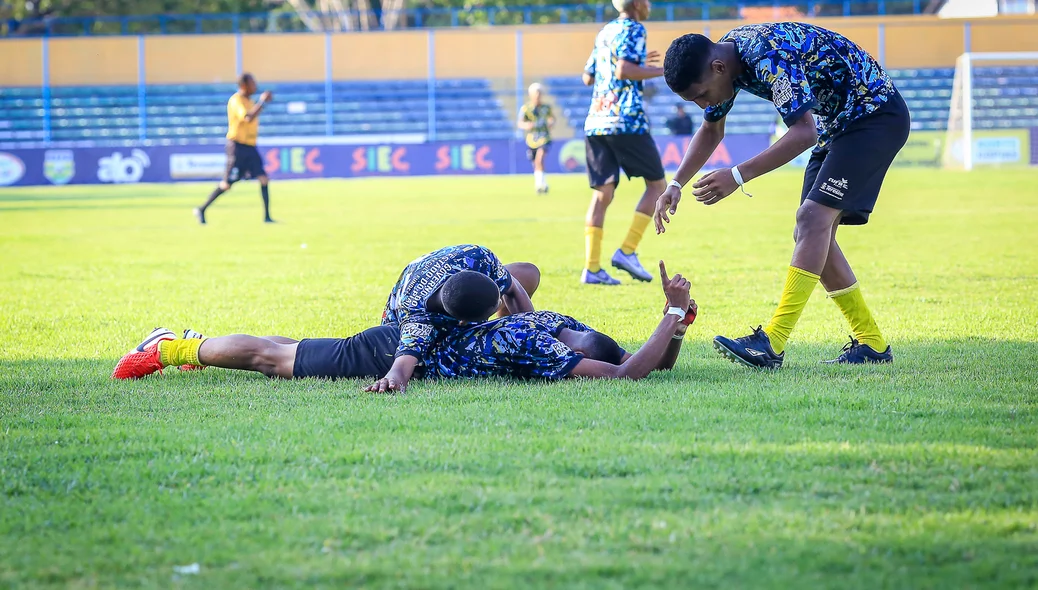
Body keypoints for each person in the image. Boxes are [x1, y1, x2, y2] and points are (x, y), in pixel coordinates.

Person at [655, 23, 911, 368]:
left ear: (718, 68)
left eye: (701, 95)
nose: (704, 103)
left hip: (874, 117)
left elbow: (804, 133)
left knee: (812, 220)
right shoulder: (725, 61)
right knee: (811, 233)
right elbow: (711, 128)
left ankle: (772, 342)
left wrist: (736, 176)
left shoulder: (766, 55)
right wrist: (676, 184)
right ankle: (872, 344)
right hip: (840, 127)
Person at [113, 264, 696, 385]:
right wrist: (669, 317)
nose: (587, 362)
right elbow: (627, 373)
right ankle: (171, 349)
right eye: (587, 358)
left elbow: (636, 364)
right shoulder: (536, 345)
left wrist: (677, 325)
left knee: (293, 346)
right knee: (275, 360)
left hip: (406, 338)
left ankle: (186, 342)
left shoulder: (547, 322)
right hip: (401, 349)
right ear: (578, 350)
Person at [580, 0, 668, 286]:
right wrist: (661, 71)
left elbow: (587, 76)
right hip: (625, 119)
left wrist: (637, 66)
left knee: (602, 194)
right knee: (657, 185)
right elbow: (624, 70)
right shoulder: (634, 28)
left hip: (596, 120)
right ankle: (627, 251)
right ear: (639, 3)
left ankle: (592, 268)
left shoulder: (605, 31)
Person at [376, 245, 538, 393]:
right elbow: (401, 367)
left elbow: (513, 287)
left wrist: (534, 329)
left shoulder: (480, 257)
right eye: (498, 304)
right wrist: (393, 380)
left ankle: (512, 328)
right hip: (397, 331)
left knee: (528, 273)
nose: (501, 301)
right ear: (464, 323)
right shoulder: (417, 322)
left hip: (442, 286)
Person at [194, 73, 274, 225]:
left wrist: (260, 104)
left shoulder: (249, 101)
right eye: (252, 83)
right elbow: (248, 117)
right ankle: (202, 209)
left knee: (264, 179)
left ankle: (267, 217)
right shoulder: (236, 100)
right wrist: (262, 102)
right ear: (244, 85)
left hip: (250, 147)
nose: (255, 86)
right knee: (227, 184)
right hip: (237, 147)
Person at [517, 83, 556, 194]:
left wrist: (551, 123)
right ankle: (542, 183)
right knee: (536, 163)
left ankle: (540, 185)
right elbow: (520, 123)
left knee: (540, 158)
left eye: (540, 93)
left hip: (544, 137)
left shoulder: (546, 108)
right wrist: (527, 125)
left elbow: (552, 119)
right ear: (531, 95)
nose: (538, 95)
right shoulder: (526, 109)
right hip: (532, 139)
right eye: (536, 93)